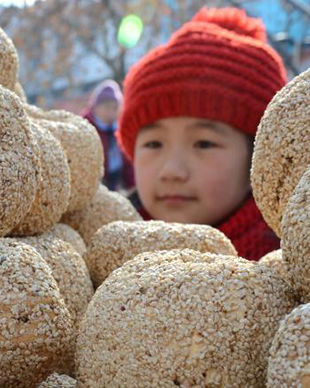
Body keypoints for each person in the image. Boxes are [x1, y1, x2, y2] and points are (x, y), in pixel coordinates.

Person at [116, 7, 285, 260]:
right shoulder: (106, 251)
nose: (172, 171)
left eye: (204, 143)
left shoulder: (292, 263)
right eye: (153, 144)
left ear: (259, 159)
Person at [82, 80, 134, 193]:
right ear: (95, 107)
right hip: (95, 188)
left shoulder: (118, 128)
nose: (111, 112)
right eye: (107, 107)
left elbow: (127, 161)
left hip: (116, 184)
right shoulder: (85, 128)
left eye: (115, 108)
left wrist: (132, 187)